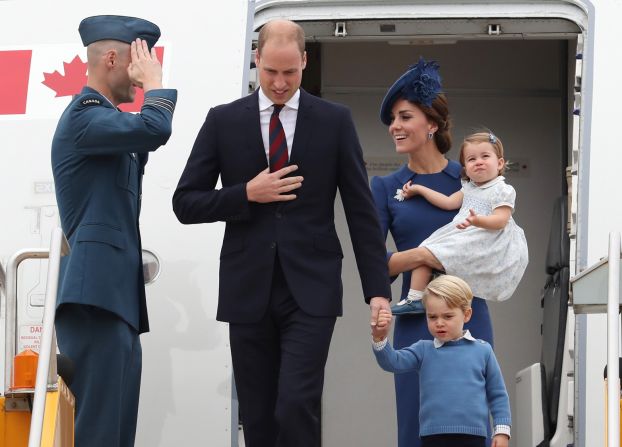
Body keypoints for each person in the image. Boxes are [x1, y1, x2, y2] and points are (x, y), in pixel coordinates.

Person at [171, 19, 391, 447]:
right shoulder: (223, 121)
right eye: (271, 71)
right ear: (256, 60)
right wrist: (246, 194)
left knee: (295, 404)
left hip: (311, 288)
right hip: (247, 287)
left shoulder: (334, 121)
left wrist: (377, 290)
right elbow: (185, 203)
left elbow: (361, 211)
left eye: (290, 72)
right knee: (257, 416)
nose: (279, 82)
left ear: (305, 62)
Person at [51, 15, 176, 447]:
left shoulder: (108, 126)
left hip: (115, 297)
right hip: (95, 297)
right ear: (110, 59)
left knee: (118, 430)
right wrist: (156, 84)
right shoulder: (85, 117)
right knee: (98, 430)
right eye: (139, 62)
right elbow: (155, 128)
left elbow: (142, 139)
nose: (143, 76)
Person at [370, 57, 495, 447]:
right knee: (415, 422)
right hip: (414, 317)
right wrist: (423, 257)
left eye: (405, 116)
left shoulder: (467, 179)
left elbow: (493, 245)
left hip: (470, 311)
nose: (395, 126)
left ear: (432, 125)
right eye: (393, 119)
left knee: (471, 417)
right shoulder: (385, 186)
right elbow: (375, 265)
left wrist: (427, 255)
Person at [390, 131, 529, 314]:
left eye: (485, 156)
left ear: (500, 163)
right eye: (471, 159)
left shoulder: (502, 190)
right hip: (463, 234)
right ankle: (415, 298)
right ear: (465, 168)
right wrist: (419, 189)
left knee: (430, 254)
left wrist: (478, 220)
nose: (478, 161)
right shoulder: (469, 188)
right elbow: (447, 202)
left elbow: (500, 220)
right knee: (428, 248)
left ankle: (433, 289)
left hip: (484, 240)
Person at [371, 275, 511, 447]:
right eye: (432, 317)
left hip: (474, 437)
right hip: (433, 437)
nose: (439, 323)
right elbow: (393, 362)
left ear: (467, 314)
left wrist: (502, 431)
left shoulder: (483, 351)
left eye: (447, 316)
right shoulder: (423, 350)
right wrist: (379, 338)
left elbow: (498, 395)